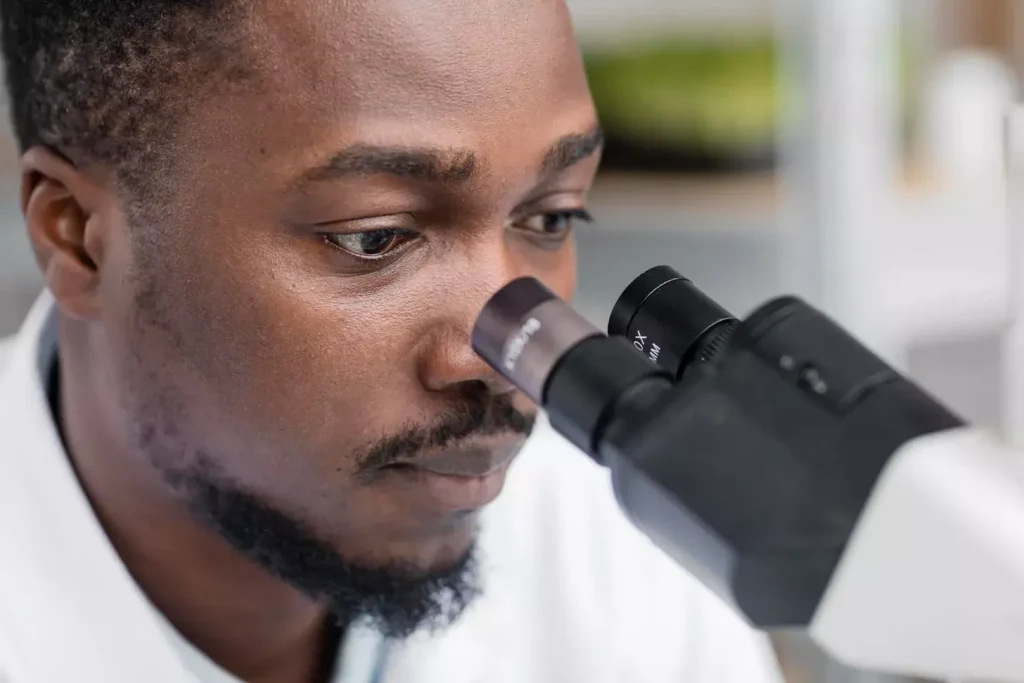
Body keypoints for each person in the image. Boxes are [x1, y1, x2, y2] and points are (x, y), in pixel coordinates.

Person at [0, 1, 785, 682]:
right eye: (374, 238)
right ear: (78, 240)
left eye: (549, 218)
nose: (506, 358)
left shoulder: (627, 578)